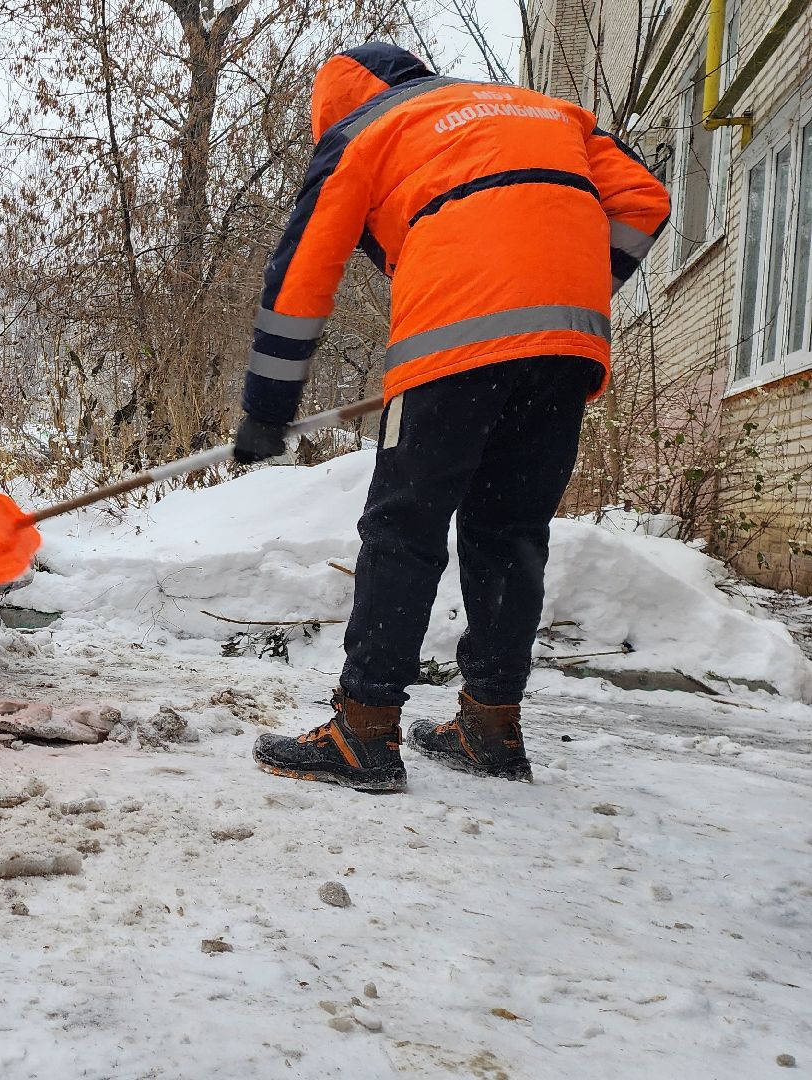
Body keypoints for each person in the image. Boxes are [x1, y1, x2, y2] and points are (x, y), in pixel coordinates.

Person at [232, 43, 669, 793]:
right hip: (568, 347)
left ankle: (364, 731)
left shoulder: (363, 131)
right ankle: (490, 727)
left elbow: (303, 268)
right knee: (511, 533)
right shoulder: (551, 111)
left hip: (450, 343)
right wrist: (571, 290)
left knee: (403, 529)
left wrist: (268, 408)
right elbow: (644, 201)